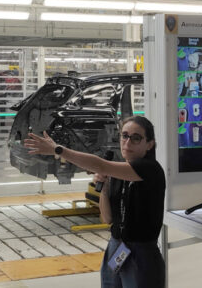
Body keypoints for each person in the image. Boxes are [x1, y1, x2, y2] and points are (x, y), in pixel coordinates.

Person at [24, 115, 165, 288]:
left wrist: (58, 150)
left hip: (141, 252)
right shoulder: (119, 172)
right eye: (125, 136)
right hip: (118, 246)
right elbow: (107, 218)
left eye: (136, 138)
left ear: (149, 144)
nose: (128, 143)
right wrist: (104, 187)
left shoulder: (150, 169)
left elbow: (101, 165)